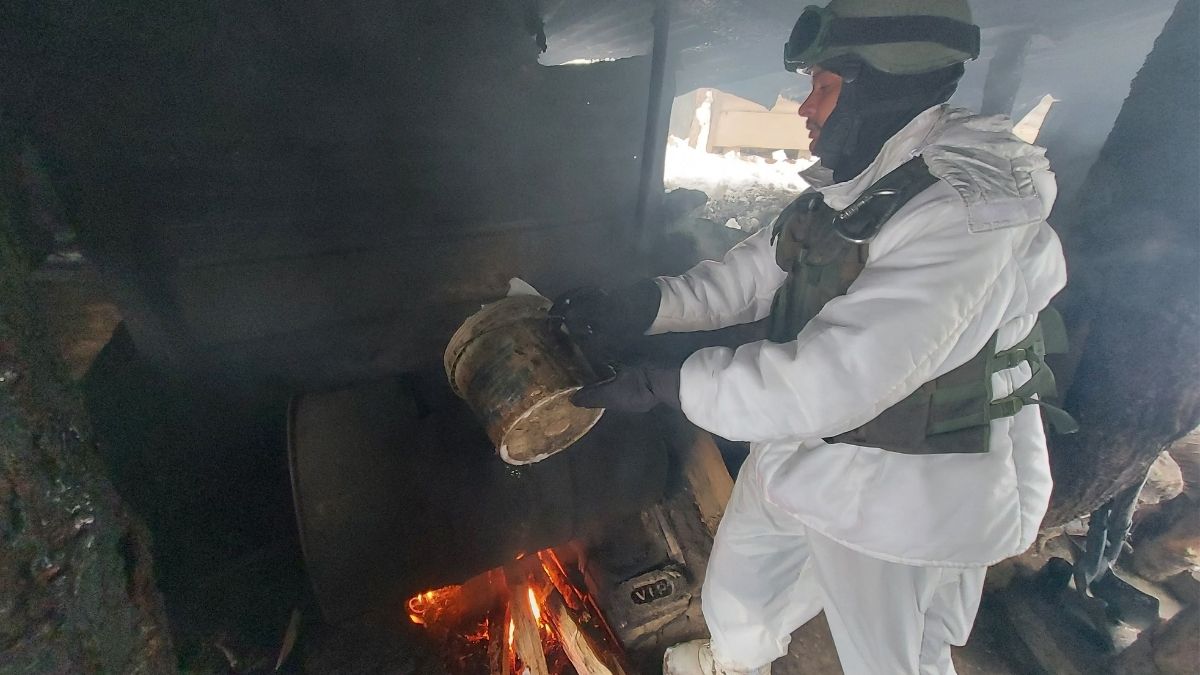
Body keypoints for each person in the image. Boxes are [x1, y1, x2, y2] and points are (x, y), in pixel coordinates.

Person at [552, 1, 1071, 673]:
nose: (804, 106)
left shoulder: (961, 213)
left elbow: (833, 378)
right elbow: (762, 270)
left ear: (881, 81)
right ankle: (736, 659)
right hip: (812, 449)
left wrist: (664, 384)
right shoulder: (880, 175)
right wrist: (646, 305)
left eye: (823, 85)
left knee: (892, 658)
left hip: (910, 484)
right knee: (738, 599)